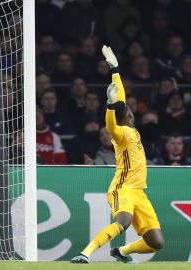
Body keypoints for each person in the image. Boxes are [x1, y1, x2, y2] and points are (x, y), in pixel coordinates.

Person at [71, 45, 163, 264]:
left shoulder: (132, 131)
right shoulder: (120, 132)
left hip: (139, 192)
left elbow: (118, 94)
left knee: (156, 242)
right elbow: (111, 124)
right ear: (128, 114)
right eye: (129, 109)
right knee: (123, 222)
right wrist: (110, 106)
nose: (132, 110)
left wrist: (115, 68)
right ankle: (86, 253)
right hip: (122, 188)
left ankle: (122, 252)